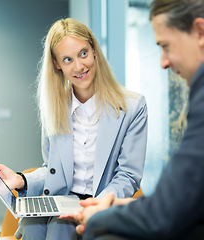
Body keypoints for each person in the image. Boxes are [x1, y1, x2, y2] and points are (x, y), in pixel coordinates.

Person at [0, 18, 148, 240]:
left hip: (99, 203)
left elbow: (128, 175)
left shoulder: (133, 107)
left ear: (94, 50)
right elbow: (52, 170)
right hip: (61, 201)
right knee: (33, 225)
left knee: (59, 229)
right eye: (67, 59)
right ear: (57, 64)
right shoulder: (54, 108)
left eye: (83, 53)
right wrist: (21, 180)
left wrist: (95, 206)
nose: (79, 66)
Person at [70, 0, 204, 239]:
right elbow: (182, 195)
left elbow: (165, 208)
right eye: (67, 59)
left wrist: (100, 216)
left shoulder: (136, 105)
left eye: (166, 45)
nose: (163, 62)